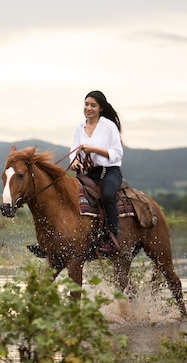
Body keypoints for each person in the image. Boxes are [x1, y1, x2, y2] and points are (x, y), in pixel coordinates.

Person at [27, 90, 124, 257]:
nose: (88, 108)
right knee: (66, 195)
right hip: (90, 173)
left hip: (109, 172)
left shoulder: (109, 126)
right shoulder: (80, 127)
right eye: (86, 104)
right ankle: (48, 240)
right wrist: (75, 161)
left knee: (108, 195)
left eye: (93, 105)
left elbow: (117, 153)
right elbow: (74, 150)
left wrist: (93, 149)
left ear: (100, 108)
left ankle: (111, 238)